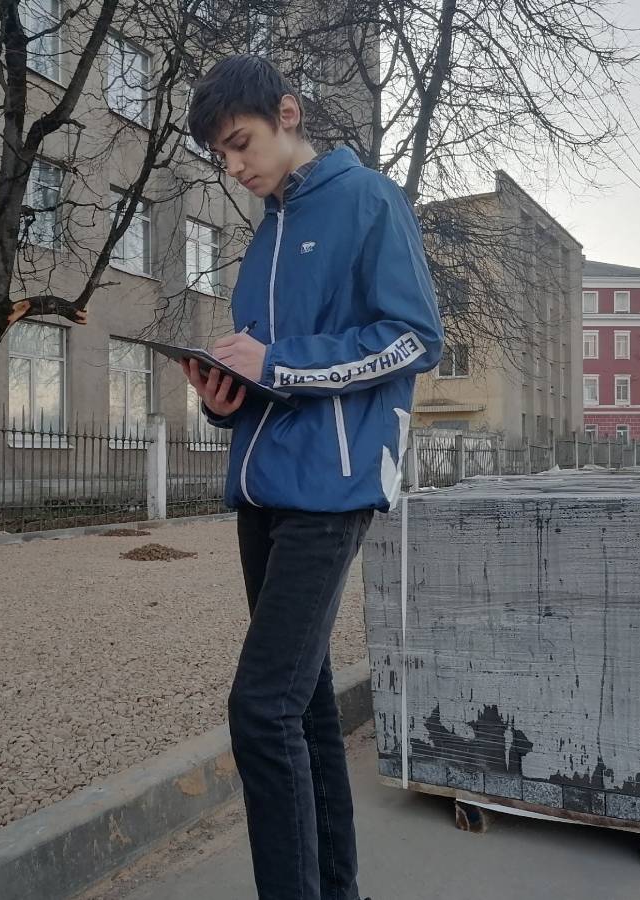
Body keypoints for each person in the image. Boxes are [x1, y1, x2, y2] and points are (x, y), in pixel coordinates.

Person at [182, 56, 444, 900]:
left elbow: (414, 338)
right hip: (261, 492)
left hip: (332, 489)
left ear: (287, 114)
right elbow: (268, 373)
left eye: (240, 143)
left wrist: (281, 363)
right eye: (221, 156)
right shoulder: (264, 236)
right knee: (305, 704)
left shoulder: (369, 200)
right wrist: (226, 397)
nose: (234, 166)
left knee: (260, 711)